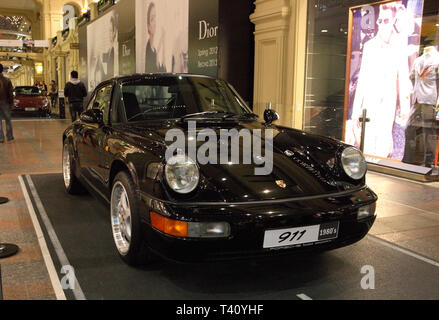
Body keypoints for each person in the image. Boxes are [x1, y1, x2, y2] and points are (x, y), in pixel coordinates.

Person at [348, 3, 411, 159]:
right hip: (369, 104)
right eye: (380, 21)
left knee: (383, 147)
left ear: (393, 21)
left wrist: (405, 109)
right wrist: (356, 111)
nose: (382, 24)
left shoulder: (399, 47)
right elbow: (362, 81)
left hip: (387, 105)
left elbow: (403, 77)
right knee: (366, 145)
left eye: (386, 21)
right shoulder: (370, 46)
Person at [145, 2, 166, 73]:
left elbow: (157, 53)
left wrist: (162, 39)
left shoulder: (152, 46)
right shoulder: (149, 45)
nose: (155, 22)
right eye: (152, 19)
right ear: (148, 26)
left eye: (155, 17)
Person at [0, 63, 14, 143]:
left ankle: (1, 138)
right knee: (8, 120)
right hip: (5, 103)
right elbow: (10, 93)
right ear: (2, 70)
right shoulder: (7, 80)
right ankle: (9, 136)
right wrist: (11, 103)